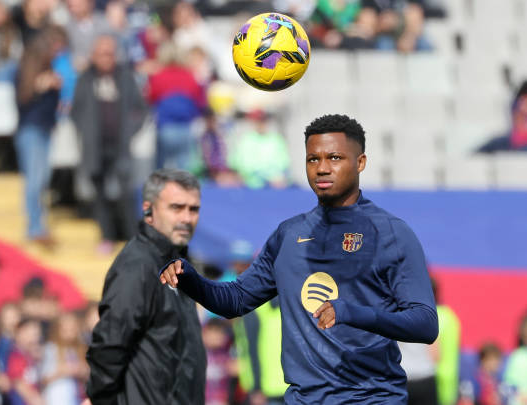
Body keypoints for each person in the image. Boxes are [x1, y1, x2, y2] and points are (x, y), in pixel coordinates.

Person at [160, 114, 438, 403]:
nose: (322, 168)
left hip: (370, 399)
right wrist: (189, 279)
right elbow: (235, 300)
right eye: (312, 159)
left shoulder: (392, 234)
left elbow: (425, 324)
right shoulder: (288, 235)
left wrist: (352, 313)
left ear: (360, 163)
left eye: (334, 158)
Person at [84, 169, 206, 405]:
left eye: (193, 209)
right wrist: (101, 400)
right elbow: (110, 344)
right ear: (148, 210)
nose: (187, 218)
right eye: (176, 207)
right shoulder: (138, 266)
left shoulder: (179, 264)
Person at [70, 34, 146, 253]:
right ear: (93, 56)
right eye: (101, 54)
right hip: (95, 147)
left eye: (109, 54)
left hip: (120, 145)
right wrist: (86, 131)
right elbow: (76, 111)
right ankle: (106, 236)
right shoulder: (85, 79)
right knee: (99, 194)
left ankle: (132, 238)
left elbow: (140, 109)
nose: (106, 58)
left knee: (125, 194)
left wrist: (130, 131)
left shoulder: (125, 77)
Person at [14, 26, 62, 246]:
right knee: (35, 179)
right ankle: (34, 227)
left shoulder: (50, 71)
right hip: (31, 130)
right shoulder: (26, 72)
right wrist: (38, 87)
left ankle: (38, 224)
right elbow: (22, 102)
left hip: (44, 130)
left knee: (43, 179)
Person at [147, 40, 206, 170]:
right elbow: (200, 102)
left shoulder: (159, 77)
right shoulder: (190, 76)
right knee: (184, 171)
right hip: (186, 129)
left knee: (161, 170)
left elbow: (150, 98)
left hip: (165, 128)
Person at [228, 110, 290, 189]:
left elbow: (284, 164)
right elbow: (240, 165)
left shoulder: (276, 139)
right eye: (258, 121)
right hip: (250, 186)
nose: (261, 124)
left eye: (263, 120)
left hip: (274, 185)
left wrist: (275, 178)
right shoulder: (246, 140)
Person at [40, 312, 88, 405]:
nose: (70, 333)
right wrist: (63, 371)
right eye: (65, 330)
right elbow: (44, 378)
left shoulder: (80, 349)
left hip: (75, 398)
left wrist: (82, 371)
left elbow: (88, 373)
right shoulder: (51, 348)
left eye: (72, 329)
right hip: (56, 398)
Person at [433, 278, 461, 405]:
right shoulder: (450, 316)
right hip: (450, 383)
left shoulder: (432, 317)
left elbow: (434, 355)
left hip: (435, 382)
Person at [6, 318, 43, 405]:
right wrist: (36, 400)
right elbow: (19, 384)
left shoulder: (29, 356)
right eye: (32, 334)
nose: (35, 339)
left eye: (37, 335)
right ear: (20, 333)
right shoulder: (16, 356)